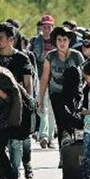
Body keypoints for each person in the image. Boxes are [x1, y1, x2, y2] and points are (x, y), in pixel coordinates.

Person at [0, 22, 36, 179]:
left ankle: (14, 178)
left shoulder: (21, 58)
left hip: (17, 106)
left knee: (16, 144)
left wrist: (28, 103)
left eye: (1, 38)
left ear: (11, 39)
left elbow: (28, 83)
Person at [38, 26, 85, 147]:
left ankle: (74, 150)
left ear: (69, 41)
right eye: (59, 39)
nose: (62, 43)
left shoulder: (77, 56)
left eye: (65, 40)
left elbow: (86, 76)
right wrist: (41, 99)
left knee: (71, 121)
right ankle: (63, 152)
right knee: (61, 122)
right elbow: (45, 78)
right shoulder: (50, 56)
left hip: (74, 94)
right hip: (56, 94)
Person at [30, 15, 57, 148]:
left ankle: (50, 138)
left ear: (53, 27)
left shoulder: (58, 41)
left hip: (55, 78)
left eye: (49, 26)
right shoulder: (35, 41)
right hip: (41, 77)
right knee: (43, 107)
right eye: (44, 26)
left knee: (52, 109)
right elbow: (33, 58)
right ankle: (44, 136)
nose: (46, 29)